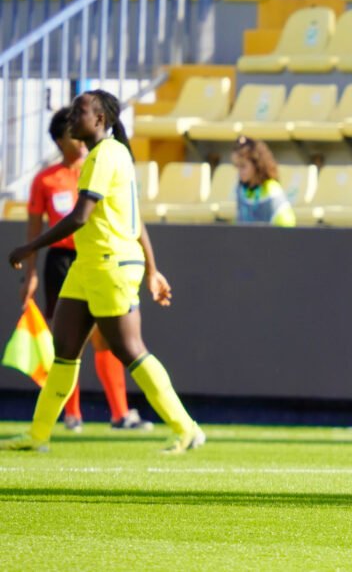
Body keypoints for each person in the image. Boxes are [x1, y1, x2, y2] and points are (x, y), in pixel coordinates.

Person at [4, 89, 204, 454]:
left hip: (111, 263)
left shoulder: (103, 156)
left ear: (99, 119)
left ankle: (186, 427)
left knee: (129, 349)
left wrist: (30, 247)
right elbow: (132, 217)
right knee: (64, 349)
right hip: (89, 264)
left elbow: (81, 216)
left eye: (79, 112)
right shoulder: (114, 153)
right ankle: (38, 434)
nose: (72, 118)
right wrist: (152, 269)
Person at [20, 108, 153, 433]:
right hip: (62, 261)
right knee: (67, 341)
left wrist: (153, 267)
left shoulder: (98, 165)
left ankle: (120, 413)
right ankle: (72, 414)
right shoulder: (46, 179)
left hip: (99, 257)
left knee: (106, 339)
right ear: (60, 140)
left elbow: (127, 215)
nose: (80, 142)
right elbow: (35, 225)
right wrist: (31, 271)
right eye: (72, 135)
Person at [233, 136, 296, 227]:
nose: (239, 171)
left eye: (243, 166)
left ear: (257, 165)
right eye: (237, 166)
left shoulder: (272, 190)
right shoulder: (240, 189)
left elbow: (287, 225)